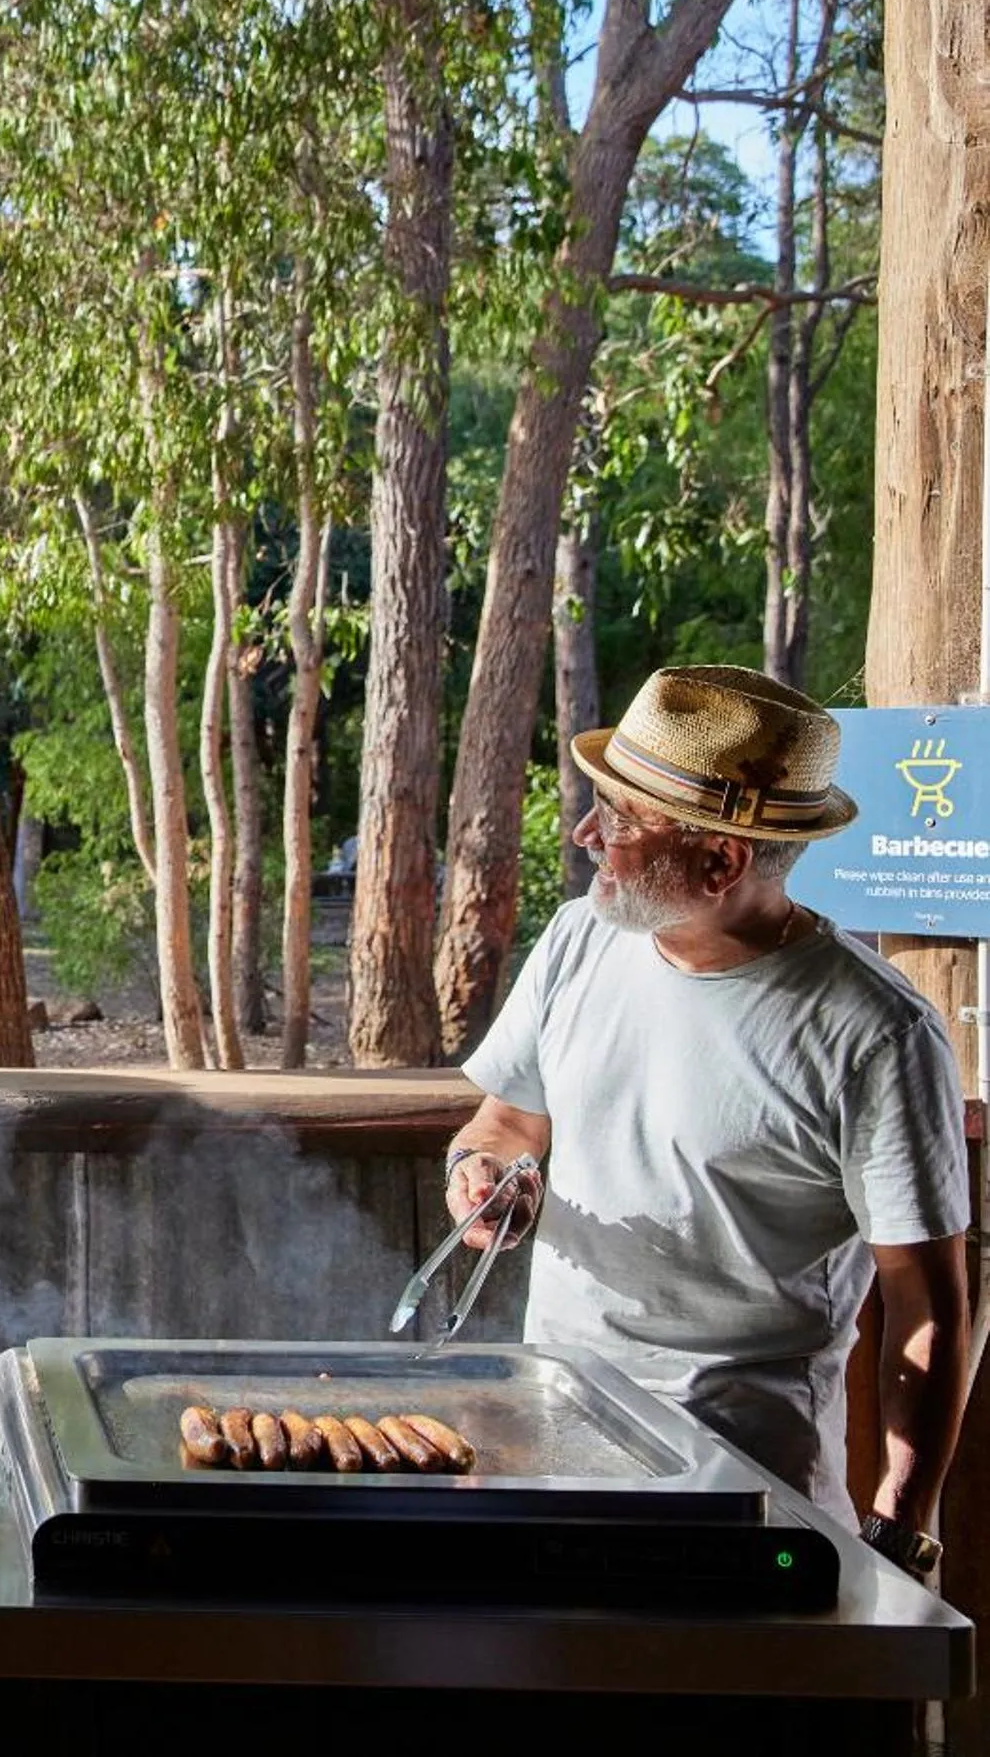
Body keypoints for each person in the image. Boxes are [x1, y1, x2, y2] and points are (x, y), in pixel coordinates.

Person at [447, 665, 969, 1574]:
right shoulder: (580, 939)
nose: (583, 836)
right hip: (551, 1440)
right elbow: (504, 1119)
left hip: (744, 1487)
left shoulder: (876, 1033)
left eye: (617, 822)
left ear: (721, 862)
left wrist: (902, 1522)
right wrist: (484, 1173)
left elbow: (928, 1305)